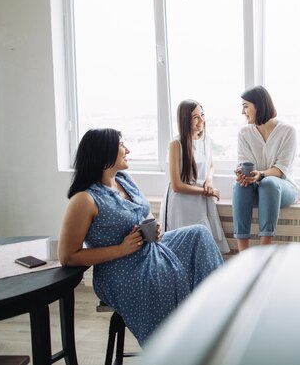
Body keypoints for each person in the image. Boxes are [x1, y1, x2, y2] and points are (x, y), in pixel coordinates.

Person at [58, 128, 223, 346]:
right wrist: (121, 249)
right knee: (164, 279)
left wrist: (154, 227)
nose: (128, 149)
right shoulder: (84, 200)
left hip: (151, 248)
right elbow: (68, 256)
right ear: (104, 153)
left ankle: (218, 314)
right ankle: (176, 346)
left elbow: (144, 212)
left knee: (199, 235)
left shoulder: (124, 180)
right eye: (121, 145)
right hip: (120, 268)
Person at [233, 85, 298, 251]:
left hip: (282, 188)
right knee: (239, 186)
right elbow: (243, 163)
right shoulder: (244, 133)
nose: (243, 112)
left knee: (269, 182)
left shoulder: (287, 131)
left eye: (246, 106)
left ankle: (263, 253)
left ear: (259, 105)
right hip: (255, 189)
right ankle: (243, 255)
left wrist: (260, 174)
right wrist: (242, 174)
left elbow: (280, 170)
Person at [162, 100, 230, 253]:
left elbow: (210, 165)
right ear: (185, 119)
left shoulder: (206, 140)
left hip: (200, 201)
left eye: (202, 115)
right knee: (181, 250)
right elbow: (177, 186)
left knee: (203, 248)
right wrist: (207, 192)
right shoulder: (176, 144)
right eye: (195, 117)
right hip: (181, 204)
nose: (201, 121)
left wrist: (209, 180)